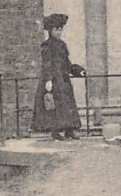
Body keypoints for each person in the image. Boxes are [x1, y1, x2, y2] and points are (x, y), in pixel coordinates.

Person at [32, 13, 85, 141]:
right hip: (53, 80)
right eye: (56, 29)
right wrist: (48, 80)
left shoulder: (62, 45)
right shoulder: (47, 45)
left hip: (63, 79)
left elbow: (67, 63)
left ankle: (69, 130)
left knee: (67, 104)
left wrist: (78, 71)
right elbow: (47, 63)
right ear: (50, 30)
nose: (59, 32)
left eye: (60, 29)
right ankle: (55, 132)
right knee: (55, 106)